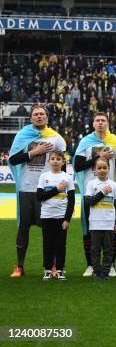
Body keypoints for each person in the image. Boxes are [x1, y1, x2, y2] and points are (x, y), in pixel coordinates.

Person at [9, 104, 66, 278]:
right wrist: (34, 152)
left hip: (48, 190)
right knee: (23, 228)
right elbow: (13, 159)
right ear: (31, 118)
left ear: (47, 117)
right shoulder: (22, 136)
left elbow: (64, 164)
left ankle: (53, 267)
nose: (39, 116)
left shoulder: (56, 139)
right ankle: (19, 266)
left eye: (42, 114)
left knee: (50, 230)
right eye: (36, 114)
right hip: (26, 188)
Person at [73, 112, 116, 278]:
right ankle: (91, 265)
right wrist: (98, 157)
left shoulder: (115, 142)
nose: (100, 123)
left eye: (103, 120)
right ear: (93, 124)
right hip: (89, 191)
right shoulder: (85, 142)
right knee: (88, 228)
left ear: (108, 123)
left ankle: (111, 264)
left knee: (111, 229)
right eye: (97, 120)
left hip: (109, 192)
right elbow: (78, 166)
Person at [36, 150, 75, 281]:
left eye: (58, 159)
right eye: (52, 158)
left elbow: (72, 201)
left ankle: (59, 270)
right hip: (46, 216)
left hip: (61, 218)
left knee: (60, 245)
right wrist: (57, 189)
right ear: (49, 161)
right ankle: (47, 270)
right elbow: (40, 197)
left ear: (63, 162)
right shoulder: (43, 177)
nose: (55, 161)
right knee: (47, 244)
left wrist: (67, 219)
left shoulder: (68, 178)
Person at [84, 158, 116, 280]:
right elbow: (89, 202)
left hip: (109, 223)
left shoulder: (114, 185)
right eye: (99, 168)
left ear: (109, 169)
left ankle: (105, 273)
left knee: (108, 249)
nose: (102, 170)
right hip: (95, 223)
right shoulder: (91, 184)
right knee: (95, 250)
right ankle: (97, 272)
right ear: (94, 169)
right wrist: (102, 193)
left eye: (105, 167)